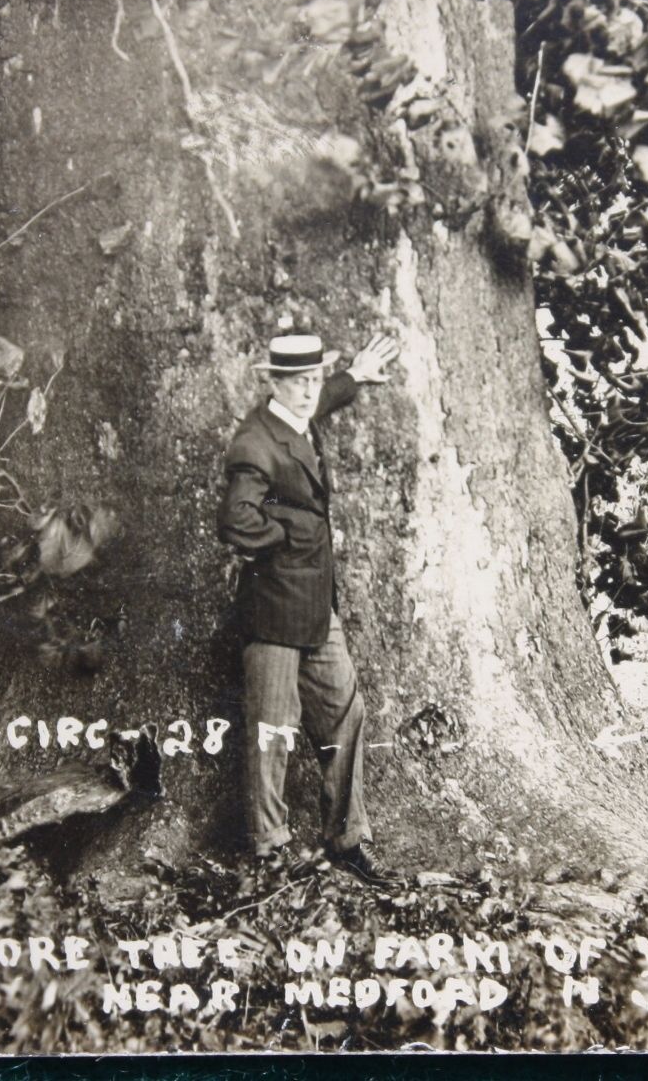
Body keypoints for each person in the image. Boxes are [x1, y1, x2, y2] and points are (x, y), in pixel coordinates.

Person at [217, 329, 401, 886]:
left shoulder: (300, 412)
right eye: (294, 382)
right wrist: (288, 538)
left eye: (313, 380)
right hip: (273, 610)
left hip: (318, 609)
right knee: (274, 729)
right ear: (272, 382)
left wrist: (356, 375)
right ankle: (269, 848)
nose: (306, 391)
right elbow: (235, 520)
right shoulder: (255, 442)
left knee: (347, 712)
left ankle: (346, 837)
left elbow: (322, 397)